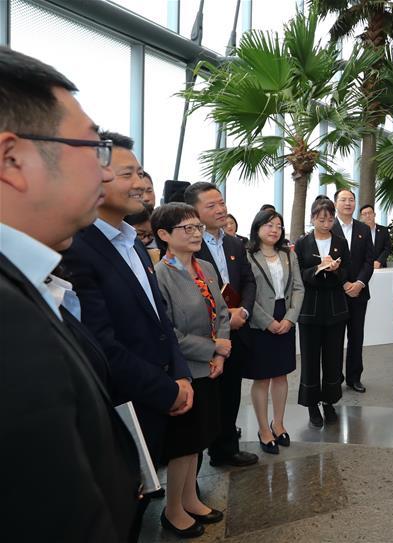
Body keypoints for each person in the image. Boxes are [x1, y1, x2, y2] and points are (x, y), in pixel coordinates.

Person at [0, 47, 141, 541]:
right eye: (93, 148)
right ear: (13, 160)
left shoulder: (31, 283)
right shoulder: (8, 323)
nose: (106, 173)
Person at [60, 130, 193, 539]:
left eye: (140, 172)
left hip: (159, 392)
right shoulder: (77, 249)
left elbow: (159, 319)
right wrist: (165, 389)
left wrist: (181, 372)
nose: (140, 183)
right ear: (93, 178)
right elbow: (98, 342)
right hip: (123, 404)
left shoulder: (133, 243)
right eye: (127, 173)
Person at [152, 203, 230, 538]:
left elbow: (223, 312)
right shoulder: (160, 275)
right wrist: (212, 348)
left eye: (198, 226)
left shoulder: (206, 268)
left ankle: (190, 499)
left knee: (197, 439)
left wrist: (221, 352)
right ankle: (172, 511)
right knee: (182, 444)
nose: (197, 233)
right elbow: (167, 332)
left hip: (211, 367)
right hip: (184, 370)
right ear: (164, 235)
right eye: (187, 228)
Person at [184, 182, 259, 468]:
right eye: (211, 205)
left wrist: (245, 312)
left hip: (237, 331)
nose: (221, 209)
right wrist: (227, 316)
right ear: (194, 211)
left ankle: (226, 449)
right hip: (206, 337)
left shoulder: (233, 242)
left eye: (222, 203)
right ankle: (193, 468)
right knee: (205, 401)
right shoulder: (189, 246)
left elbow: (249, 281)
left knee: (230, 394)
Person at [245, 208, 303, 453]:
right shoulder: (247, 256)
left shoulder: (288, 255)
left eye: (278, 226)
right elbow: (246, 294)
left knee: (281, 375)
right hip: (260, 320)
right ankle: (263, 428)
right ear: (258, 227)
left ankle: (278, 423)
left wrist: (290, 318)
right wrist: (266, 321)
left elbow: (299, 288)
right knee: (262, 377)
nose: (274, 230)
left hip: (285, 316)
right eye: (269, 225)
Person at [295, 197, 350, 427]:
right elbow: (297, 274)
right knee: (309, 358)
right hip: (310, 307)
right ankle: (311, 405)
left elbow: (347, 271)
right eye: (321, 218)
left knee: (333, 356)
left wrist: (336, 271)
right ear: (312, 219)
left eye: (329, 218)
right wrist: (317, 269)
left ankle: (329, 401)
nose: (326, 222)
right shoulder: (303, 243)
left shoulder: (340, 241)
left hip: (335, 307)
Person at [332, 189, 375, 393]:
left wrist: (359, 283)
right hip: (336, 293)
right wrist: (344, 284)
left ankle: (354, 377)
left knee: (356, 336)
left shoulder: (363, 229)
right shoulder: (328, 228)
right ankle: (335, 377)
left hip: (359, 292)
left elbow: (369, 260)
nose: (348, 203)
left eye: (351, 200)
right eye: (343, 200)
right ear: (336, 203)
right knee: (336, 337)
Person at [360, 204, 391, 268]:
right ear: (362, 217)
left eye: (370, 213)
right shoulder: (358, 231)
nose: (368, 216)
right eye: (365, 214)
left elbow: (387, 248)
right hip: (362, 267)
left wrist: (379, 261)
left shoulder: (384, 230)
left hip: (380, 266)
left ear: (374, 214)